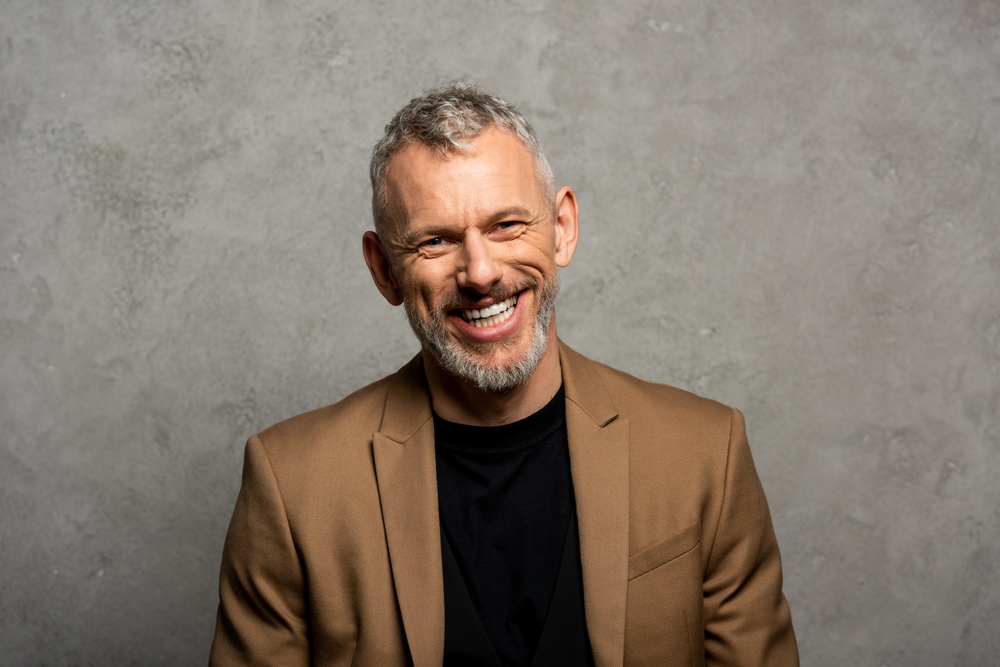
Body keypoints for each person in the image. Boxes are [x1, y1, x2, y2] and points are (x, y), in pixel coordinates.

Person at [209, 83, 798, 667]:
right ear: (384, 270)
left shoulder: (705, 453)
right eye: (435, 241)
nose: (480, 272)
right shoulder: (291, 485)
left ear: (562, 227)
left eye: (507, 225)